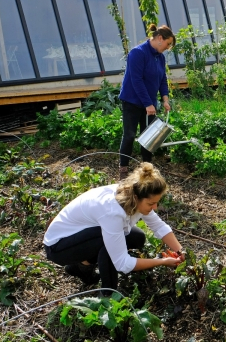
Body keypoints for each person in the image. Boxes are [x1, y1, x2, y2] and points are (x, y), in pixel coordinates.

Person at [43, 162, 184, 294]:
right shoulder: (112, 211)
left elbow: (158, 225)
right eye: (151, 204)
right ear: (136, 197)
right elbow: (122, 263)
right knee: (109, 246)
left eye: (156, 203)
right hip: (58, 246)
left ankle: (81, 267)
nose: (155, 207)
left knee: (137, 238)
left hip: (82, 235)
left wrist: (180, 251)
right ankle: (108, 296)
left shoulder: (132, 194)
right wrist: (162, 262)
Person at [118, 24, 174, 180]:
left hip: (149, 104)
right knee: (129, 135)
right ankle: (123, 171)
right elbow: (136, 80)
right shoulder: (137, 53)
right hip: (132, 101)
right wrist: (148, 104)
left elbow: (162, 79)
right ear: (159, 39)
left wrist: (165, 99)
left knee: (148, 138)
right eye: (168, 43)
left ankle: (147, 171)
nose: (168, 47)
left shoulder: (160, 57)